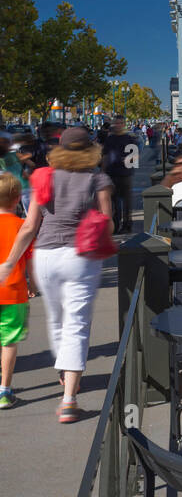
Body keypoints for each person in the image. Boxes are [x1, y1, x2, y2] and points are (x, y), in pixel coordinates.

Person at [0, 126, 114, 423]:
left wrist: (10, 263)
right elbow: (108, 223)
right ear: (89, 149)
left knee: (57, 319)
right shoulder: (97, 178)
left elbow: (29, 226)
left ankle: (64, 370)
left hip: (46, 256)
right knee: (77, 323)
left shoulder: (44, 177)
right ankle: (69, 400)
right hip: (81, 256)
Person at [0, 174, 33, 409]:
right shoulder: (22, 227)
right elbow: (30, 261)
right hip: (13, 291)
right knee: (9, 341)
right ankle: (4, 390)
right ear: (17, 198)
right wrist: (32, 284)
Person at [101, 118, 135, 234]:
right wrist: (103, 172)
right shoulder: (110, 139)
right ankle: (115, 225)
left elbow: (135, 156)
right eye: (116, 123)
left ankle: (127, 225)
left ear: (124, 125)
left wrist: (129, 159)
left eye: (121, 123)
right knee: (114, 203)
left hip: (125, 174)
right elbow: (105, 156)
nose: (118, 125)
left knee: (127, 202)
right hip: (112, 174)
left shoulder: (129, 138)